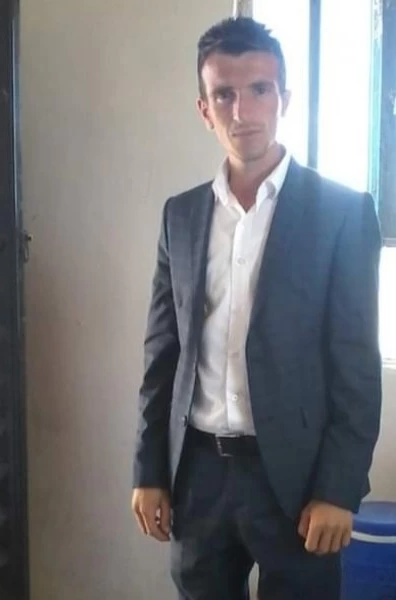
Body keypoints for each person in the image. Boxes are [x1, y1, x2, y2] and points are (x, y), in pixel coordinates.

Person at [131, 17, 382, 600]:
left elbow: (356, 367)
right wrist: (149, 470)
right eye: (224, 94)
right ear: (204, 109)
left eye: (259, 90)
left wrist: (339, 488)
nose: (242, 111)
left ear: (284, 98)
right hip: (198, 475)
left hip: (297, 481)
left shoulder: (341, 214)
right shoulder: (180, 216)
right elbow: (162, 356)